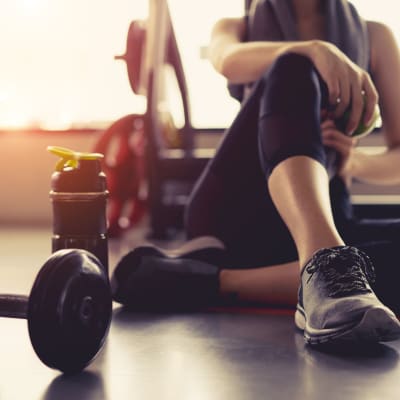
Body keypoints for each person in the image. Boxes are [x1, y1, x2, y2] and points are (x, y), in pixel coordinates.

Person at [111, 0, 400, 346]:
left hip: (328, 216)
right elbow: (227, 61)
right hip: (237, 211)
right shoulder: (235, 27)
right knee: (294, 65)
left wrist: (354, 163)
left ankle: (215, 281)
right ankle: (325, 267)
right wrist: (314, 51)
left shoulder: (376, 37)